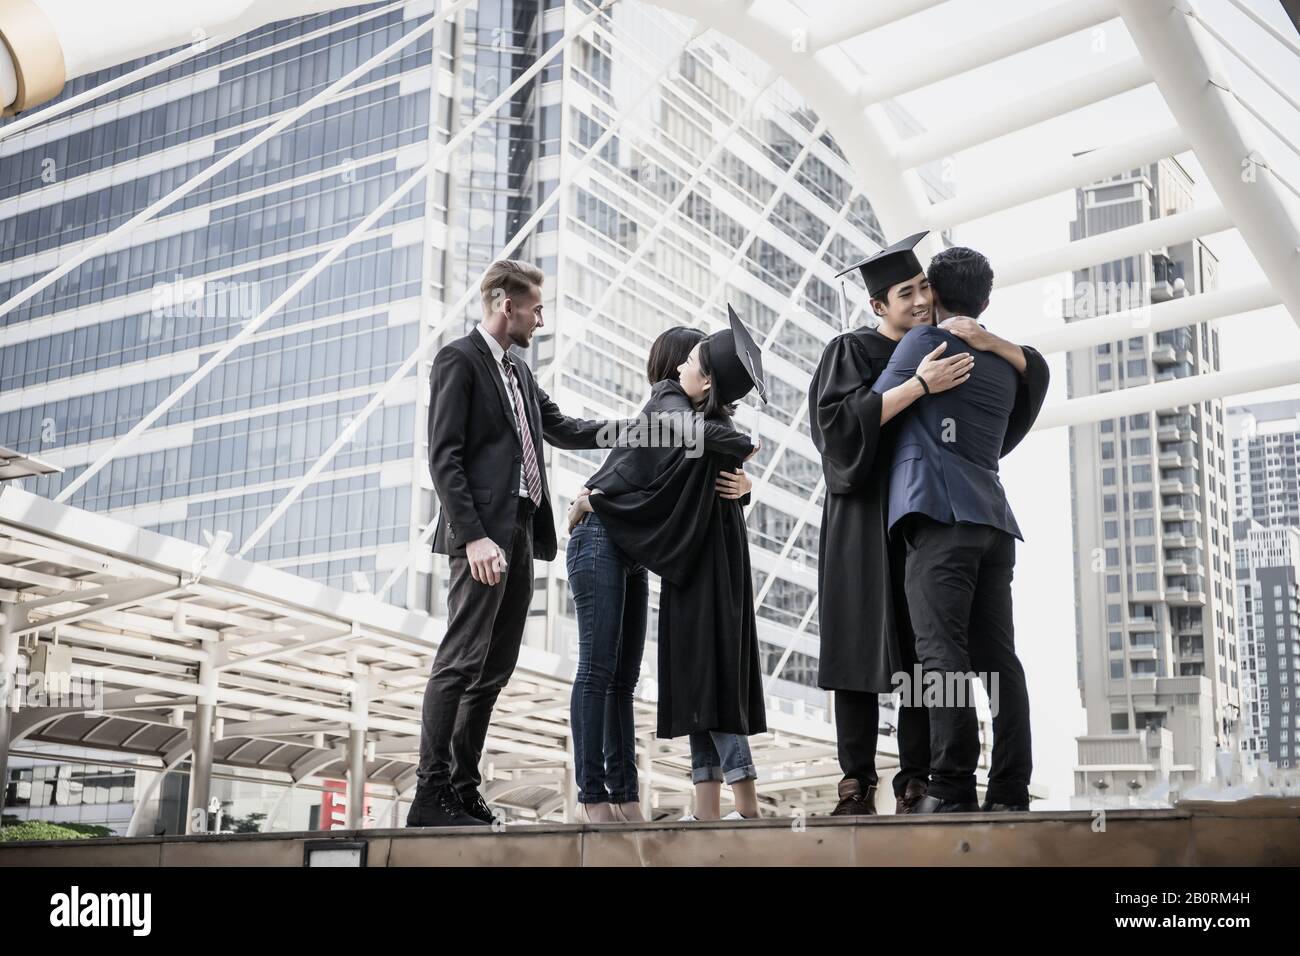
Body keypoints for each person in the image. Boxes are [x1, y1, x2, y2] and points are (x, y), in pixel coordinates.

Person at [408, 259, 617, 828]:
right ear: (507, 305)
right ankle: (429, 796)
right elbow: (443, 456)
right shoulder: (459, 360)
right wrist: (473, 537)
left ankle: (460, 786)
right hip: (481, 535)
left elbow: (566, 428)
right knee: (460, 660)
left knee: (494, 668)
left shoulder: (519, 374)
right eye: (536, 308)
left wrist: (645, 429)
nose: (541, 320)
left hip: (522, 531)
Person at [870, 245, 1049, 814]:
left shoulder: (925, 343)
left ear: (934, 296)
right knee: (1001, 660)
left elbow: (871, 411)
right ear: (986, 300)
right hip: (993, 521)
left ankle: (950, 786)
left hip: (940, 516)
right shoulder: (1008, 364)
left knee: (939, 655)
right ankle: (1010, 789)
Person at [576, 306, 767, 820]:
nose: (679, 367)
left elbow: (690, 484)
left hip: (686, 565)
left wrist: (744, 483)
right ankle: (603, 799)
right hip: (635, 546)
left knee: (690, 681)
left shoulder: (698, 421)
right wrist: (597, 500)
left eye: (691, 360)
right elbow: (662, 478)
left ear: (706, 379)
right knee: (620, 675)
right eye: (682, 356)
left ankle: (713, 809)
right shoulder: (670, 403)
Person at [810, 231, 974, 815]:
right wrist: (919, 385)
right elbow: (839, 429)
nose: (921, 300)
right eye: (906, 293)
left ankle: (916, 781)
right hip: (859, 515)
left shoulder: (944, 344)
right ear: (878, 305)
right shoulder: (849, 350)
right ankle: (855, 785)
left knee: (917, 648)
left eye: (925, 287)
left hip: (915, 518)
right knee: (857, 647)